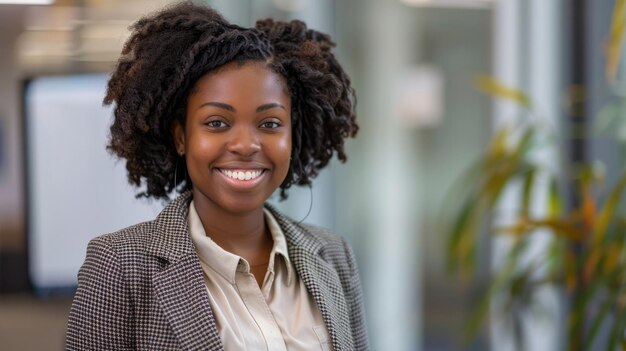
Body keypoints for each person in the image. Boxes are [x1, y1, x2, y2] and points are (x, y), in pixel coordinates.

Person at [65, 2, 368, 350]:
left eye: (270, 124)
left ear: (292, 135)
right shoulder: (119, 265)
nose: (245, 144)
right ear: (181, 137)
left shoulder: (333, 255)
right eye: (217, 123)